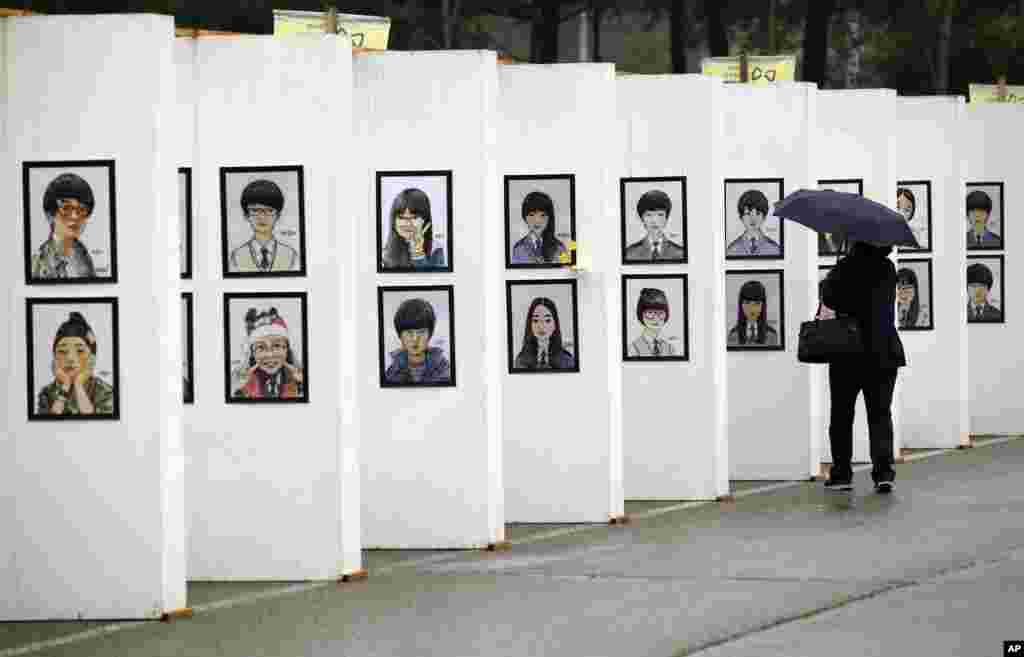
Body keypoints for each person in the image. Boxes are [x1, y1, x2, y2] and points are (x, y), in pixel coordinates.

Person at [820, 239, 907, 493]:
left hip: (848, 351)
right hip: (883, 352)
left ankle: (842, 474)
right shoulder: (888, 269)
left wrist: (831, 278)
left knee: (842, 415)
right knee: (880, 414)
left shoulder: (844, 268)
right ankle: (883, 473)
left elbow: (830, 299)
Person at [37, 311, 114, 415]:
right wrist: (66, 385)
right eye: (62, 351)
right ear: (54, 357)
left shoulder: (105, 392)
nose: (70, 358)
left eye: (80, 351)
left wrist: (78, 385)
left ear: (92, 357)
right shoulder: (47, 393)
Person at [32, 173, 98, 279]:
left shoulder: (84, 257)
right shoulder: (38, 263)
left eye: (81, 210)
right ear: (50, 215)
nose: (75, 216)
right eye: (66, 208)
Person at [229, 179, 299, 273]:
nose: (262, 217)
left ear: (278, 215)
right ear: (246, 215)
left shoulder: (291, 255)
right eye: (255, 210)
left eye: (269, 211)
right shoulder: (237, 256)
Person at [233, 307, 304, 399]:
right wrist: (234, 386)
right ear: (252, 353)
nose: (270, 355)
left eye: (277, 346)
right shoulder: (242, 383)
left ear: (287, 350)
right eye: (260, 347)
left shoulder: (298, 379)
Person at [384, 298, 451, 384]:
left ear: (430, 335)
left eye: (421, 332)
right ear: (400, 335)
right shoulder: (391, 372)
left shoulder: (443, 369)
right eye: (409, 332)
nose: (415, 339)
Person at [381, 188, 446, 270]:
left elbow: (433, 280)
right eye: (401, 218)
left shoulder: (436, 249)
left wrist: (418, 253)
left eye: (414, 218)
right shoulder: (383, 253)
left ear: (426, 221)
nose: (408, 223)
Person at [623, 189, 685, 261]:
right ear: (642, 219)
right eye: (649, 215)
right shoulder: (630, 253)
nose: (654, 221)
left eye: (660, 215)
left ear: (666, 218)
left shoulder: (680, 253)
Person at [515, 297, 576, 369]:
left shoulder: (567, 360)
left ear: (555, 324)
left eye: (547, 320)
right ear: (530, 324)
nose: (541, 326)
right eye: (535, 320)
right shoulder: (521, 359)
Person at [511, 191, 569, 265]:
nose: (537, 221)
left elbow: (565, 272)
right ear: (525, 218)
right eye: (532, 215)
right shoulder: (518, 248)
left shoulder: (560, 248)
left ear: (549, 218)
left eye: (542, 215)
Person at [726, 189, 781, 257]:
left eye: (757, 214)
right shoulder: (732, 250)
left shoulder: (775, 249)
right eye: (748, 214)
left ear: (764, 217)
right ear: (741, 217)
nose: (753, 219)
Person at [727, 280, 779, 346]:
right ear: (741, 305)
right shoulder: (733, 335)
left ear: (763, 305)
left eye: (757, 303)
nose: (752, 309)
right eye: (747, 303)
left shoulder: (772, 335)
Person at [628, 288, 676, 356]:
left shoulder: (670, 349)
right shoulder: (632, 349)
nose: (656, 318)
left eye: (660, 313)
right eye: (650, 313)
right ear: (641, 314)